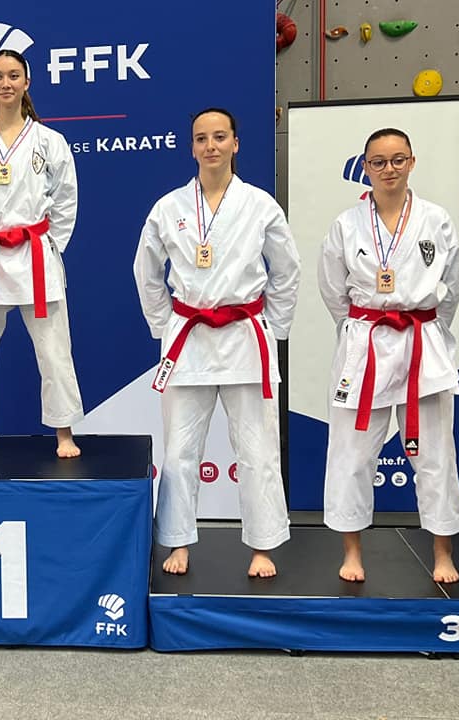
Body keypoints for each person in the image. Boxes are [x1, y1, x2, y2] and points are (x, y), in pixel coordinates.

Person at [134, 108, 300, 577]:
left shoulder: (260, 204)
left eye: (220, 137)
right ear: (192, 147)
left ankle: (263, 545)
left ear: (235, 144)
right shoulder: (169, 207)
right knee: (179, 450)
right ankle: (177, 540)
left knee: (258, 449)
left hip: (245, 335)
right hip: (189, 338)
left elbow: (287, 269)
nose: (211, 146)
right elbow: (146, 271)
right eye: (202, 138)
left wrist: (273, 326)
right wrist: (166, 324)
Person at [318, 128, 459, 584]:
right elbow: (333, 290)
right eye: (379, 162)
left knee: (436, 454)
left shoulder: (436, 219)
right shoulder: (346, 224)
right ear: (365, 167)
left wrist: (430, 327)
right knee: (352, 453)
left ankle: (443, 553)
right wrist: (360, 328)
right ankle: (352, 552)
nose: (389, 169)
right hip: (366, 343)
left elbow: (452, 286)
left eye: (398, 159)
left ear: (412, 162)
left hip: (422, 342)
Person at [0, 49, 83, 459]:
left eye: (13, 75)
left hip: (36, 257)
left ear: (27, 81)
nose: (5, 83)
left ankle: (64, 432)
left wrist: (48, 246)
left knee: (54, 352)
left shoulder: (50, 141)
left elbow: (66, 200)